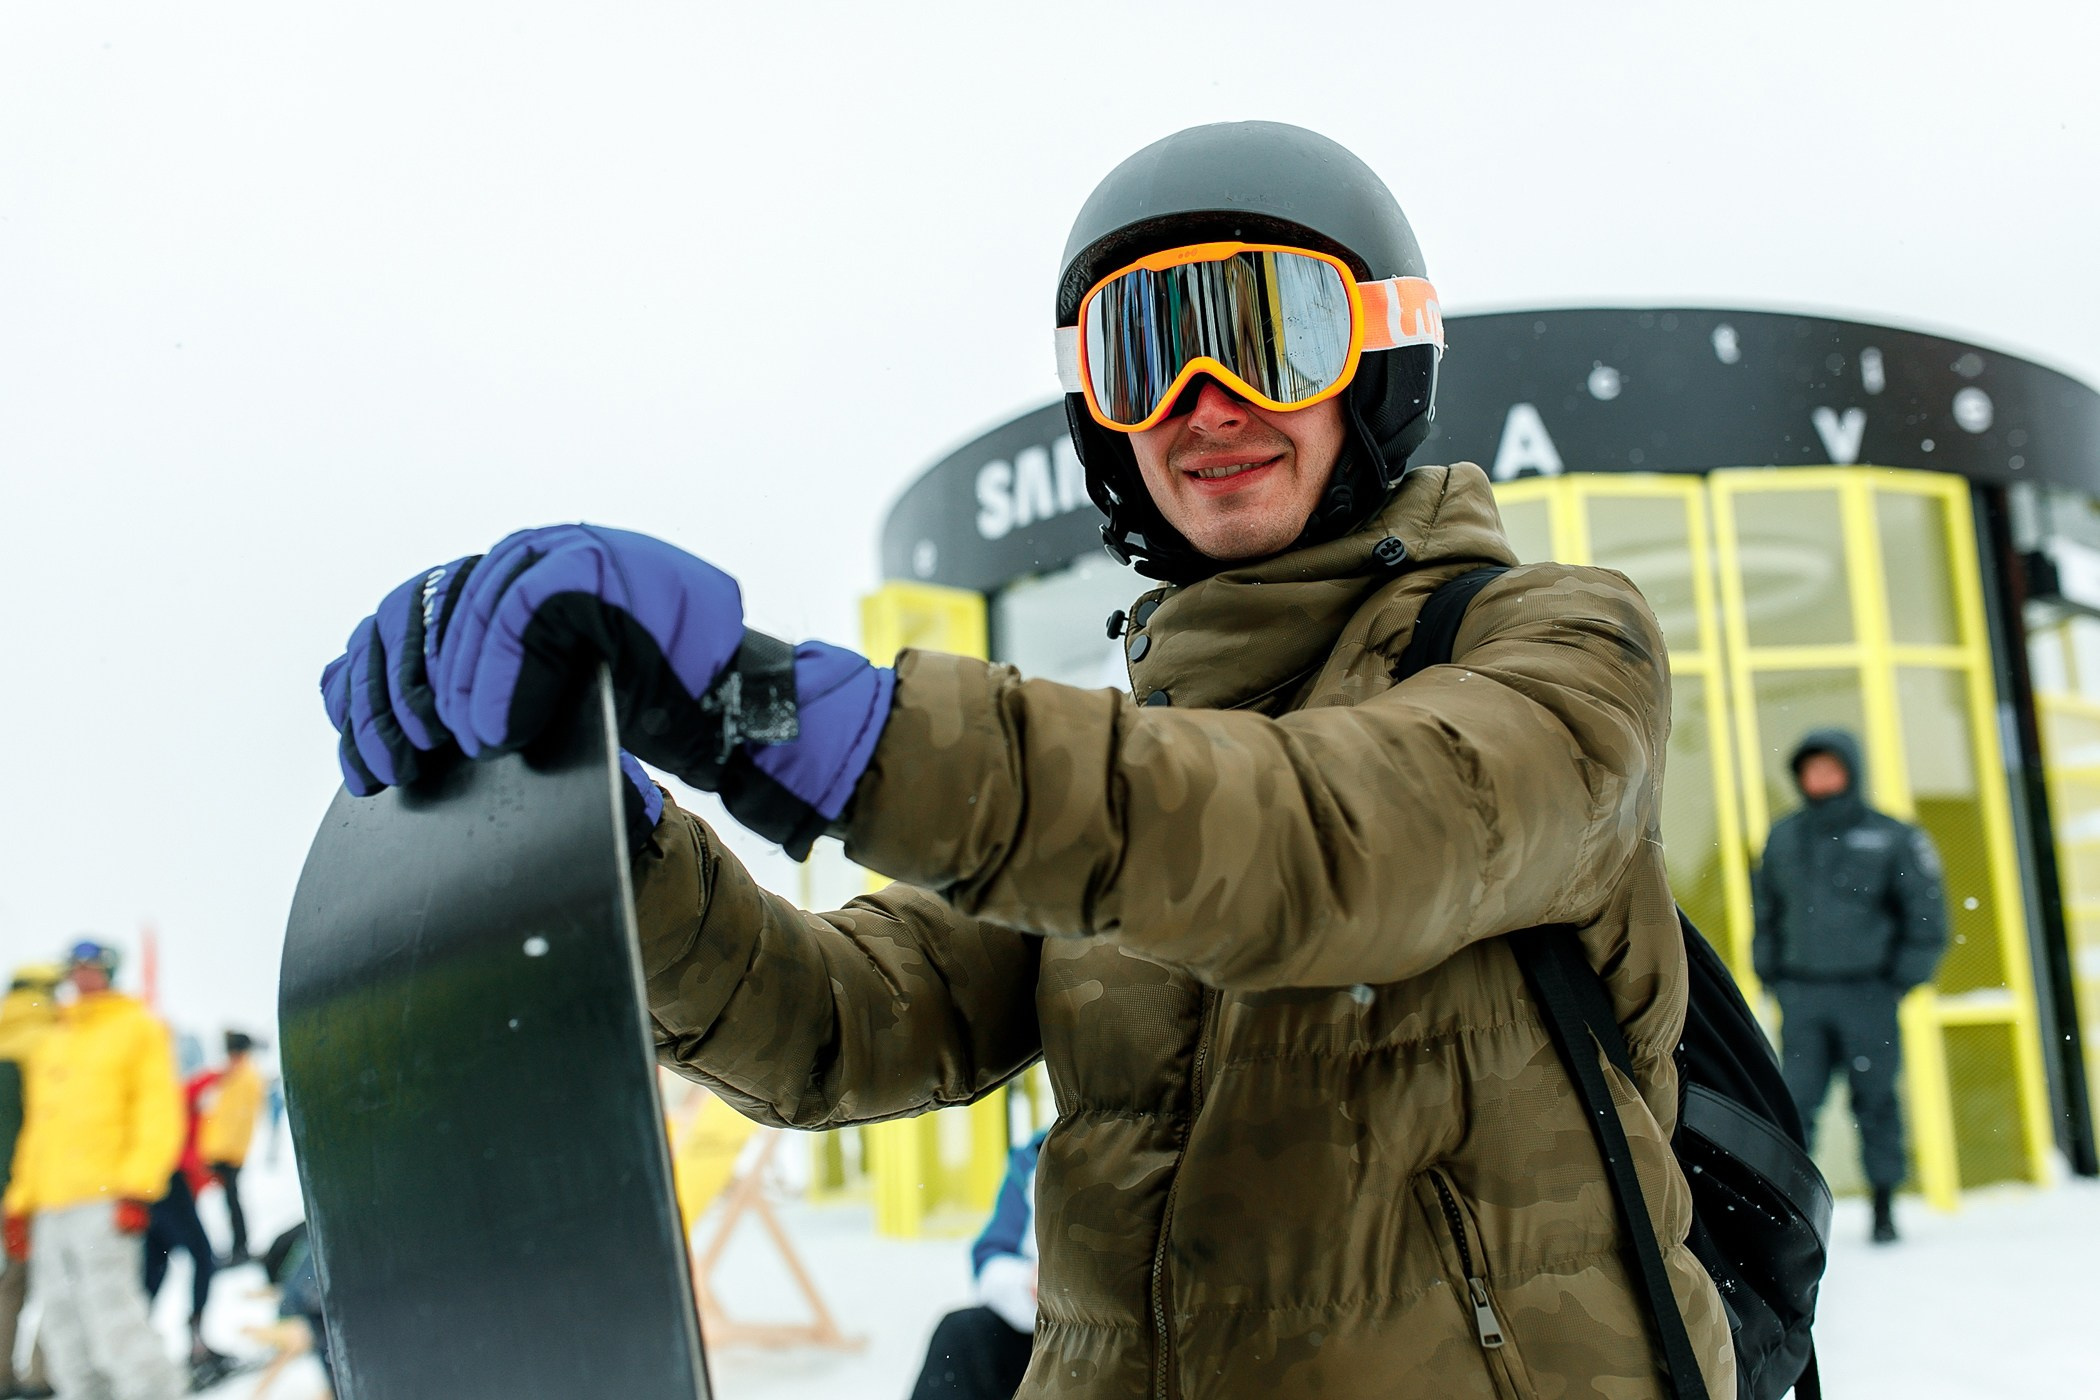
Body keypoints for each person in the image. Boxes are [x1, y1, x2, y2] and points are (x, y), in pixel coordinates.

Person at [321, 121, 1732, 1396]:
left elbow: (1335, 850)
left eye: (1271, 335)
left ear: (1381, 355)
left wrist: (786, 712)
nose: (1204, 398)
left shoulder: (1556, 654)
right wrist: (603, 847)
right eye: (1143, 352)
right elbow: (849, 1019)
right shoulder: (1108, 775)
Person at [1754, 728, 1948, 1244]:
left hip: (1868, 996)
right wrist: (1771, 973)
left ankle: (1884, 1208)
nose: (1821, 777)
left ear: (1850, 771)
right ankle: (1789, 1213)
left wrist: (1900, 979)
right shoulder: (1784, 837)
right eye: (1811, 768)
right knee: (1794, 1106)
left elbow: (1926, 914)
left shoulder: (1892, 836)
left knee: (1876, 1100)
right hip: (1804, 997)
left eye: (1830, 767)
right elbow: (1766, 912)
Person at [1, 941, 185, 1400]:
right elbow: (38, 1131)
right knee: (62, 1322)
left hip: (103, 1196)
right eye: (76, 970)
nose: (83, 978)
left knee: (111, 1314)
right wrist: (20, 1202)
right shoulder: (56, 1040)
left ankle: (153, 1393)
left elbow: (157, 1111)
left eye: (93, 969)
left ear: (109, 973)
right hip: (51, 1203)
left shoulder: (135, 1027)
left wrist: (137, 1186)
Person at [911, 1130, 1047, 1400]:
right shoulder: (1038, 1157)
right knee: (962, 1333)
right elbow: (992, 1257)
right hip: (1041, 1331)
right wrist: (1028, 1281)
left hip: (1123, 1340)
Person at [144, 1068, 237, 1387]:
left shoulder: (156, 1098)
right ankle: (197, 1341)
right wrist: (225, 1072)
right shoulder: (171, 1095)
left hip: (151, 1185)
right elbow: (191, 1090)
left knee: (156, 1266)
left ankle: (133, 1345)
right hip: (168, 1181)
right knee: (201, 1256)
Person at [0, 964, 61, 1400]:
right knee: (54, 1281)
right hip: (38, 1186)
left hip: (6, 1189)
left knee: (11, 1284)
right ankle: (41, 1374)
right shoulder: (48, 1045)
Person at [196, 1030, 265, 1266]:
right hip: (224, 1151)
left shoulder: (246, 1078)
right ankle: (238, 1246)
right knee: (230, 1201)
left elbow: (238, 1122)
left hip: (229, 1153)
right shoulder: (237, 1076)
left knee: (233, 1201)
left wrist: (221, 1152)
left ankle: (240, 1248)